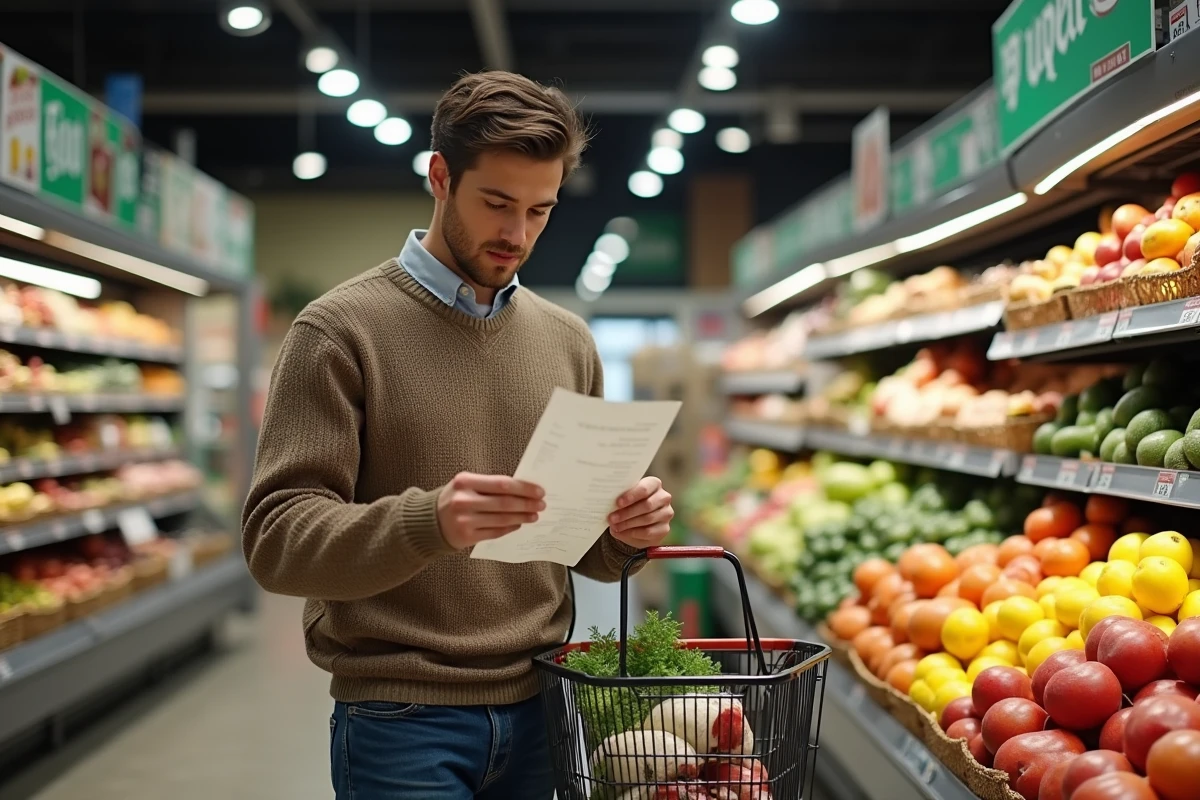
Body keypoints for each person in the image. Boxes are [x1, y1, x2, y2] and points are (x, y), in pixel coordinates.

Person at [241, 70, 675, 800]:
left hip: (542, 705)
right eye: (497, 204)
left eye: (540, 211)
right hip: (400, 717)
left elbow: (581, 549)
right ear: (440, 177)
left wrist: (626, 534)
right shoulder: (340, 330)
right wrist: (429, 522)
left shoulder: (567, 341)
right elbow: (276, 540)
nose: (517, 234)